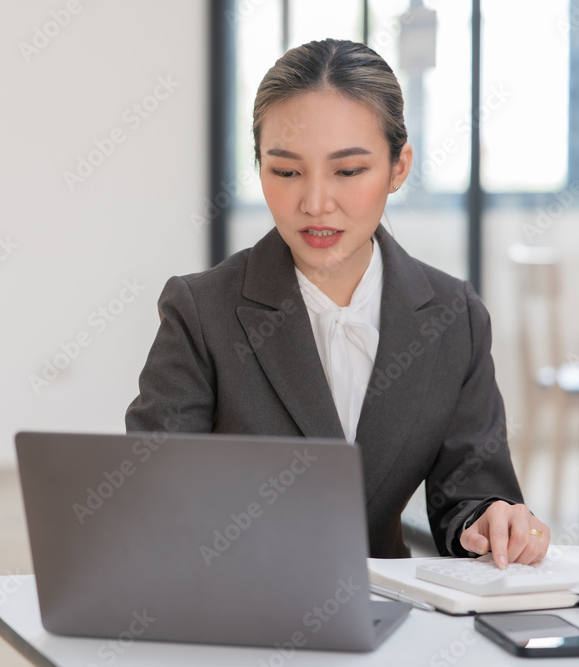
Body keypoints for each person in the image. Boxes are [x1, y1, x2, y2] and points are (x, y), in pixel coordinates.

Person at [125, 38, 548, 567]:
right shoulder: (200, 310)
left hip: (391, 621)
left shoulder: (452, 315)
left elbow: (469, 495)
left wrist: (490, 520)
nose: (315, 203)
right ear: (260, 167)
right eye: (285, 171)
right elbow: (153, 497)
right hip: (238, 614)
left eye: (348, 171)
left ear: (399, 168)